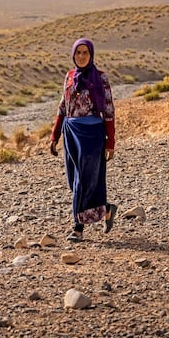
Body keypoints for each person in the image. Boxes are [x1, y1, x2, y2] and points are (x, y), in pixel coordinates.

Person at [50, 38, 117, 242]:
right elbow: (63, 107)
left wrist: (110, 141)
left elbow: (108, 111)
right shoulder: (69, 77)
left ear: (91, 55)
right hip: (71, 133)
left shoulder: (101, 78)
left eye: (85, 52)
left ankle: (77, 228)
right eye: (78, 52)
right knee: (74, 181)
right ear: (73, 55)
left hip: (92, 135)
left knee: (83, 180)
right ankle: (106, 209)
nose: (81, 56)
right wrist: (55, 135)